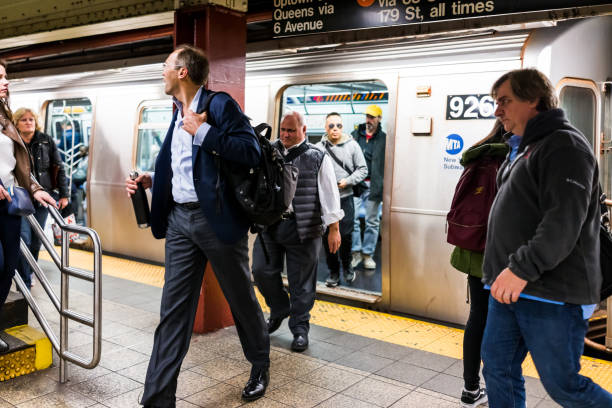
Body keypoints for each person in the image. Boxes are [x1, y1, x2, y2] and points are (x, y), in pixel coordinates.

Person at [125, 45, 270, 406]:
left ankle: (260, 363)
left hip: (215, 220)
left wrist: (205, 132)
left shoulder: (219, 105)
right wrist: (151, 179)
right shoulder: (175, 112)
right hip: (178, 221)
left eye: (166, 66)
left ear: (183, 72)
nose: (162, 71)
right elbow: (184, 167)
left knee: (240, 299)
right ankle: (157, 399)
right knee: (173, 312)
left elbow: (250, 152)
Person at [481, 68, 612, 407]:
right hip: (508, 288)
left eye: (505, 101)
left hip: (550, 293)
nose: (498, 111)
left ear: (534, 99)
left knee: (564, 385)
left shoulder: (564, 146)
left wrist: (521, 269)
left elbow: (562, 222)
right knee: (498, 368)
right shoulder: (526, 147)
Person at [252, 111, 343, 352]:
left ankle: (300, 328)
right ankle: (280, 306)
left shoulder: (317, 157)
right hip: (270, 225)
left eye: (291, 130)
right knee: (261, 270)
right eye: (283, 129)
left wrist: (334, 228)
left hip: (305, 227)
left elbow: (329, 193)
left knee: (301, 283)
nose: (285, 134)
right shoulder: (269, 151)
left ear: (304, 131)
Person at [448, 119, 508, 408]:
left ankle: (470, 389)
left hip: (474, 249)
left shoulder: (479, 151)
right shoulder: (513, 156)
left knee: (478, 317)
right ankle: (501, 389)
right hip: (501, 252)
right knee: (504, 322)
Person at [0, 59, 56, 353]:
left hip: (9, 204)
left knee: (8, 267)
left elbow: (18, 166)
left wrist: (35, 189)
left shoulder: (4, 116)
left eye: (5, 76)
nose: (6, 82)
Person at [14, 107, 69, 289]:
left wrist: (64, 194)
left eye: (31, 119)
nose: (28, 122)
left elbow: (58, 166)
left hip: (44, 196)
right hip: (21, 195)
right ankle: (24, 279)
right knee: (24, 237)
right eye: (24, 120)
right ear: (16, 123)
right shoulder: (13, 142)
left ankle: (30, 270)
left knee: (37, 239)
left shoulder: (45, 140)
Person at [316, 112, 367, 287]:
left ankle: (347, 267)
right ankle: (333, 272)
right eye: (331, 126)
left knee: (345, 236)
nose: (335, 129)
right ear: (326, 128)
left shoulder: (352, 146)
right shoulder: (318, 148)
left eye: (338, 125)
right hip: (326, 202)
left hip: (346, 198)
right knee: (327, 237)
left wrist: (348, 181)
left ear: (342, 127)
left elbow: (362, 169)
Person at [351, 104, 386, 270]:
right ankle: (355, 253)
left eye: (372, 117)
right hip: (357, 184)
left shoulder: (384, 139)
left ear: (379, 119)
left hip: (374, 185)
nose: (369, 120)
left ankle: (367, 255)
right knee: (353, 220)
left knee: (372, 222)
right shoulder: (355, 136)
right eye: (367, 116)